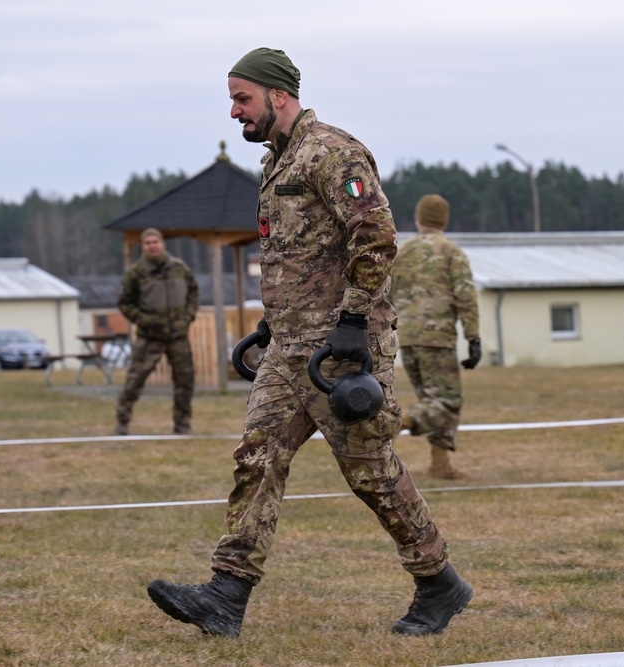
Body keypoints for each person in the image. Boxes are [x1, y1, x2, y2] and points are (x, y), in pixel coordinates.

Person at [146, 48, 472, 638]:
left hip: (342, 348)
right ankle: (226, 594)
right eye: (232, 99)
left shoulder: (332, 152)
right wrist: (273, 322)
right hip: (290, 344)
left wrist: (352, 321)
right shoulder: (275, 164)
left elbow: (374, 238)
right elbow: (295, 254)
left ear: (278, 95)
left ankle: (438, 582)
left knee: (369, 472)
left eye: (241, 99)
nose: (233, 112)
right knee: (258, 456)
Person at [390, 194, 482, 479]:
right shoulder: (452, 252)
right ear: (444, 220)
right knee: (447, 401)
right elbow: (466, 297)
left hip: (407, 338)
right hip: (438, 339)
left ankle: (440, 465)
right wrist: (473, 337)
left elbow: (386, 294)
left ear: (418, 220)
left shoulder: (401, 253)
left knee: (432, 399)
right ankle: (398, 422)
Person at [115, 228, 199, 435]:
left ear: (162, 244)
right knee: (135, 379)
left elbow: (193, 292)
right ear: (143, 247)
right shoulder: (136, 273)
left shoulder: (179, 268)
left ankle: (182, 424)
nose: (152, 246)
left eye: (155, 242)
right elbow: (125, 303)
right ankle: (122, 421)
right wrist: (145, 321)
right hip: (149, 337)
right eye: (147, 243)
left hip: (178, 335)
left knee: (185, 381)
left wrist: (188, 316)